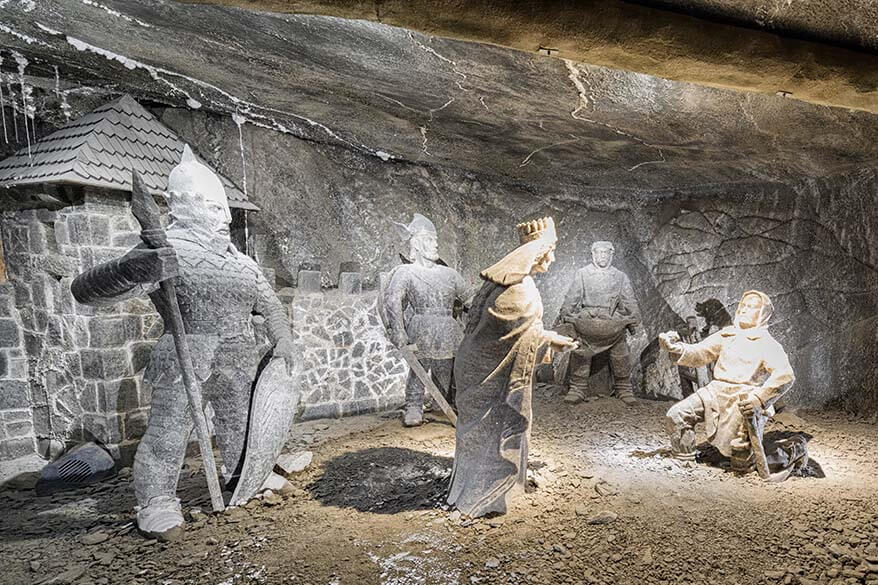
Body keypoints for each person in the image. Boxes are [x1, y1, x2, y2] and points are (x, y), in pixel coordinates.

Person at [72, 147, 298, 540]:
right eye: (214, 209)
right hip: (185, 356)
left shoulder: (242, 263)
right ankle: (157, 500)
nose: (225, 217)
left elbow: (270, 307)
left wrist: (282, 340)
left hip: (240, 358)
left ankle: (241, 476)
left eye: (224, 208)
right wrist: (132, 268)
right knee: (168, 433)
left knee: (239, 427)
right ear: (186, 205)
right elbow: (87, 290)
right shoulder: (163, 251)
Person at [447, 217, 576, 517]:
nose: (553, 258)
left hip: (481, 368)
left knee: (481, 436)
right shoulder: (520, 290)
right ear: (538, 252)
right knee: (491, 435)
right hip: (491, 377)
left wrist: (549, 339)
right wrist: (548, 341)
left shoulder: (510, 282)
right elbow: (511, 339)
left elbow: (515, 334)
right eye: (550, 251)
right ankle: (487, 496)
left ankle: (484, 490)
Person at [659, 291, 797, 469]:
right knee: (677, 415)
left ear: (762, 313)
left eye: (752, 307)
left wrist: (759, 399)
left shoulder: (767, 344)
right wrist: (676, 348)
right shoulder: (727, 335)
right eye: (743, 306)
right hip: (715, 392)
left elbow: (785, 375)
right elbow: (700, 353)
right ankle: (683, 458)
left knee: (740, 462)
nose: (745, 310)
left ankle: (791, 450)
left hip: (744, 399)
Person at [381, 214, 470, 426]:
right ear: (418, 244)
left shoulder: (449, 274)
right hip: (421, 325)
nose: (435, 244)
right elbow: (393, 300)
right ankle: (414, 406)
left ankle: (441, 405)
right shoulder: (407, 272)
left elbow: (470, 298)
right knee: (419, 368)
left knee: (445, 368)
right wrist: (398, 330)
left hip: (447, 326)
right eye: (430, 240)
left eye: (436, 240)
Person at [555, 241, 641, 405]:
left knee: (620, 350)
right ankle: (578, 388)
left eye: (605, 253)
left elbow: (629, 300)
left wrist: (634, 317)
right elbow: (572, 297)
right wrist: (566, 313)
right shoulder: (583, 274)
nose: (602, 256)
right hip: (588, 318)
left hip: (610, 320)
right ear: (593, 254)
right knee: (580, 349)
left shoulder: (620, 276)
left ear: (611, 255)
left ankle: (623, 387)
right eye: (599, 253)